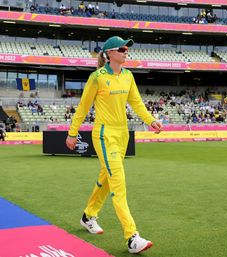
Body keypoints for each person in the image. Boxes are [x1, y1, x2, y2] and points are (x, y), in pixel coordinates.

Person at [65, 36, 163, 254]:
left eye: (128, 48)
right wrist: (72, 133)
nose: (126, 51)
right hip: (104, 135)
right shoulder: (97, 77)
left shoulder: (128, 76)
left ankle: (88, 215)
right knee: (118, 184)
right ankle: (132, 237)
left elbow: (136, 102)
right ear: (109, 53)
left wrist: (150, 120)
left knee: (107, 178)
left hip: (122, 135)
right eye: (122, 48)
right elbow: (82, 108)